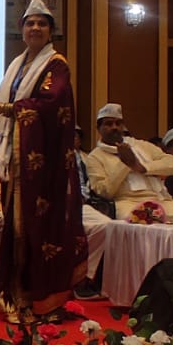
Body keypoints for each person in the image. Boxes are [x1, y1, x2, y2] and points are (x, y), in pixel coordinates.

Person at [0, 0, 87, 323]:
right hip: (16, 160)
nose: (35, 28)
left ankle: (40, 300)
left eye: (41, 23)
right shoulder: (17, 65)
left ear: (51, 31)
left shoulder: (56, 65)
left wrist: (6, 108)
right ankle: (16, 294)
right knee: (16, 229)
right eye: (30, 23)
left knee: (37, 230)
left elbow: (49, 104)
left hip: (43, 167)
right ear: (22, 29)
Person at [86, 103, 173, 221]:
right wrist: (125, 163)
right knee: (139, 219)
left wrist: (142, 167)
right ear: (98, 129)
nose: (114, 127)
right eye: (108, 124)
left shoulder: (141, 145)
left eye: (118, 123)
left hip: (163, 200)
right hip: (127, 203)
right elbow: (104, 192)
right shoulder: (95, 157)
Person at [73, 126, 110, 301]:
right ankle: (80, 281)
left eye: (76, 136)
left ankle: (87, 278)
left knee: (108, 226)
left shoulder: (86, 157)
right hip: (58, 203)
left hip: (83, 203)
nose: (72, 139)